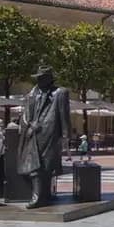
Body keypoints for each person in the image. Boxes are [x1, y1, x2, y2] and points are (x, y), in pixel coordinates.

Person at [16, 66, 72, 209]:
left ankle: (39, 197)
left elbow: (64, 115)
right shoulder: (31, 94)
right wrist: (28, 125)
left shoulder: (60, 93)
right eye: (38, 77)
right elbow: (26, 114)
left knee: (43, 166)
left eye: (42, 77)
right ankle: (42, 196)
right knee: (34, 164)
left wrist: (66, 136)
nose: (39, 80)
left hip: (49, 132)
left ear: (49, 78)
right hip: (32, 133)